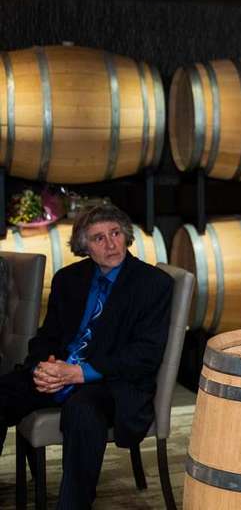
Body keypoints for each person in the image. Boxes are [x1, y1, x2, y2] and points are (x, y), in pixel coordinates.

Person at [0, 204, 173, 509]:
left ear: (126, 235)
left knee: (82, 412)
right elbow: (47, 335)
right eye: (98, 238)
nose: (111, 244)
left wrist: (79, 373)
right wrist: (45, 366)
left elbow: (144, 355)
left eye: (115, 233)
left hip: (113, 382)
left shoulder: (153, 284)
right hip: (61, 372)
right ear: (85, 246)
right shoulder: (69, 279)